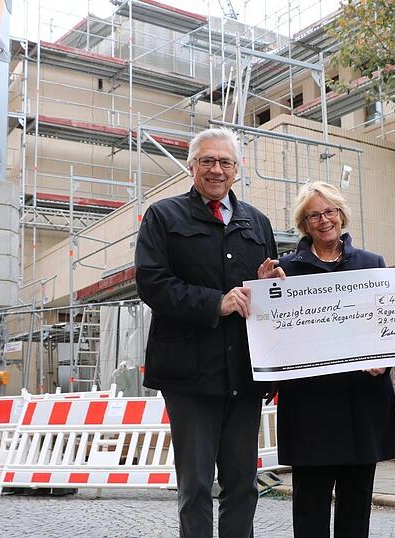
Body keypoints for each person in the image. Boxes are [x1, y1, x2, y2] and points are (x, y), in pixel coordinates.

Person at [135, 127, 284, 538]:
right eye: (208, 161)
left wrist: (265, 282)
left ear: (237, 169)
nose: (217, 169)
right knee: (196, 486)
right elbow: (151, 282)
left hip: (244, 374)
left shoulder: (258, 222)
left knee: (242, 485)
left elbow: (263, 295)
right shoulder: (163, 216)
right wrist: (213, 303)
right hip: (189, 374)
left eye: (225, 162)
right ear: (191, 166)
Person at [276, 181, 395, 538]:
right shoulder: (285, 272)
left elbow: (387, 327)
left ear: (341, 215)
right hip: (311, 409)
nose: (323, 220)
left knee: (356, 504)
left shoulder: (371, 263)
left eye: (329, 211)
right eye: (313, 215)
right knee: (310, 507)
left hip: (361, 404)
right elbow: (275, 331)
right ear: (304, 223)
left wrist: (385, 360)